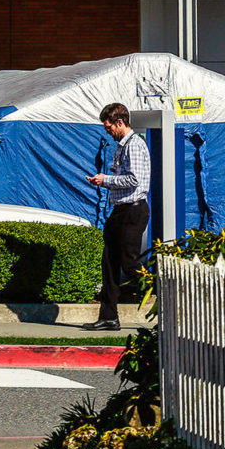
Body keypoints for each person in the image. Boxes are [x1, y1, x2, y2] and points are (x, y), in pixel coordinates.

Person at [83, 103, 151, 331]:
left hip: (133, 210)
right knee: (109, 262)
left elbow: (135, 179)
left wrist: (106, 180)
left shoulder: (134, 145)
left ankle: (163, 294)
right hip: (120, 209)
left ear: (119, 122)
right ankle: (109, 316)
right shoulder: (121, 146)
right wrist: (105, 181)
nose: (108, 132)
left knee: (129, 263)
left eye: (109, 127)